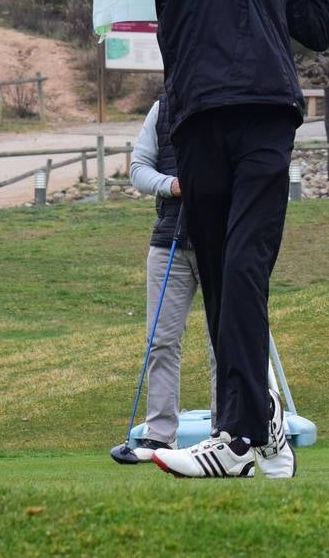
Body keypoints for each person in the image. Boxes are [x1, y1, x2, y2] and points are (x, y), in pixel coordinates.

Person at [148, 0, 329, 479]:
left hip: (263, 115)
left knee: (246, 269)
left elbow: (314, 26)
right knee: (226, 282)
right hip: (198, 122)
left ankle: (238, 436)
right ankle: (268, 435)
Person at [116, 94, 215, 462]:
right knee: (160, 340)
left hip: (218, 242)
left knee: (222, 341)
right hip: (168, 239)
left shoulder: (227, 103)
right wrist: (173, 185)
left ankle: (226, 431)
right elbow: (138, 169)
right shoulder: (162, 109)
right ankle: (159, 436)